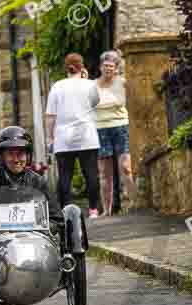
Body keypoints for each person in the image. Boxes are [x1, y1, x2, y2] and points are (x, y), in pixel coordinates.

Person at [46, 53, 101, 217]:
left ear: (66, 68)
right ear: (81, 67)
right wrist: (86, 78)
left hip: (63, 137)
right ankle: (93, 210)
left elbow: (50, 116)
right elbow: (96, 103)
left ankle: (65, 210)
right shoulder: (90, 85)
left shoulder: (57, 86)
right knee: (91, 173)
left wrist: (50, 137)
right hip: (87, 135)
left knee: (64, 175)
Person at [95, 50, 136, 217]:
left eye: (111, 66)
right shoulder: (93, 85)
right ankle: (107, 210)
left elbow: (132, 99)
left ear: (116, 68)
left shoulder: (123, 82)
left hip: (120, 127)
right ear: (100, 67)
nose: (108, 69)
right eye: (105, 66)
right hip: (100, 128)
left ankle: (135, 203)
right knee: (105, 173)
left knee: (125, 168)